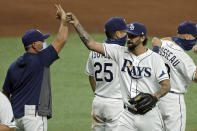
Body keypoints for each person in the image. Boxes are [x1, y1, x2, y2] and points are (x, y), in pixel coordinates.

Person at [66, 12, 170, 131]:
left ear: (142, 38)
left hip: (141, 113)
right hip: (122, 110)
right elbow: (91, 44)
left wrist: (154, 96)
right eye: (128, 35)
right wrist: (77, 24)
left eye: (132, 36)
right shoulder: (119, 52)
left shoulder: (152, 58)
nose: (128, 38)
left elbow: (166, 85)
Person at [2, 5, 68, 131]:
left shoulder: (13, 66)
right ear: (34, 44)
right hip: (34, 117)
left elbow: (5, 94)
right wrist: (63, 20)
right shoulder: (41, 59)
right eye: (41, 40)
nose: (43, 42)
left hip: (16, 118)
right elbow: (61, 39)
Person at [152, 21, 197, 131]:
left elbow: (165, 40)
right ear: (187, 36)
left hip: (155, 96)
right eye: (195, 36)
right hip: (173, 103)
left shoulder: (162, 43)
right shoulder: (185, 59)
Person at [85, 17, 127, 131]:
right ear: (118, 34)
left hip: (98, 103)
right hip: (116, 105)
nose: (127, 35)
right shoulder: (122, 52)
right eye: (125, 32)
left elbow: (91, 76)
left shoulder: (94, 51)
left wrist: (99, 94)